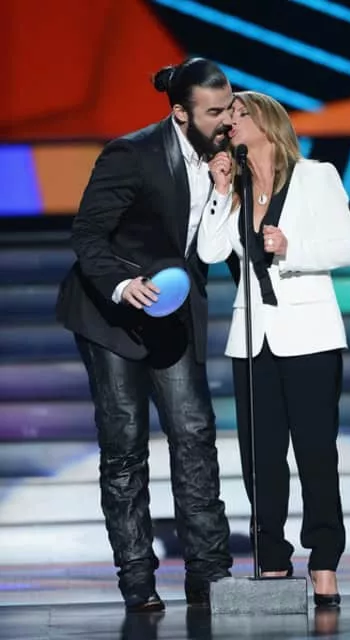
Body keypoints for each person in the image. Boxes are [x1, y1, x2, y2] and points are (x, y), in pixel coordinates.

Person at [56, 58, 234, 611]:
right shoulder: (131, 154)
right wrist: (121, 284)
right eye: (214, 112)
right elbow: (88, 234)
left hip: (173, 315)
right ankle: (137, 577)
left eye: (229, 107)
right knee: (125, 445)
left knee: (194, 435)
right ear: (181, 113)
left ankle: (209, 573)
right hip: (112, 317)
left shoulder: (228, 157)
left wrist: (224, 189)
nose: (227, 119)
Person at [197, 91, 350, 608]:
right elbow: (210, 250)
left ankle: (324, 560)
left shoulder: (316, 176)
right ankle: (272, 557)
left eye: (238, 113)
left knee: (315, 452)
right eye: (226, 117)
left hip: (309, 334)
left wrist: (292, 250)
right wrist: (220, 191)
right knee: (259, 458)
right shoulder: (236, 186)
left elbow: (348, 247)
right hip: (253, 339)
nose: (230, 122)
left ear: (267, 121)